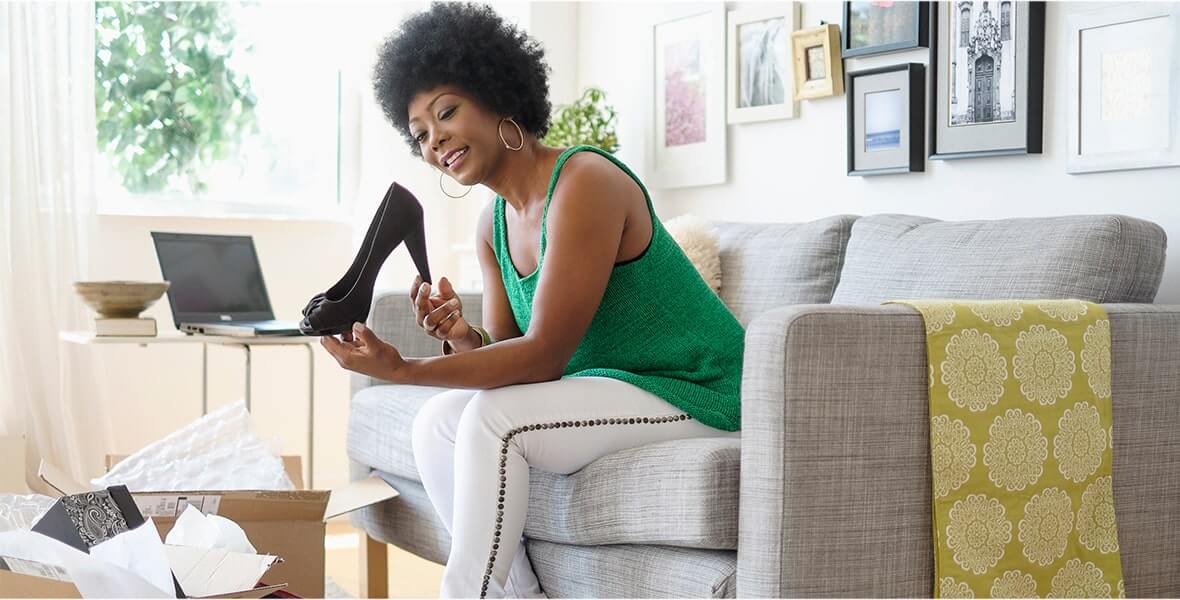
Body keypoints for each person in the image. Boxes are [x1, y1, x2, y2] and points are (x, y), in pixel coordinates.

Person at [319, 3, 744, 598]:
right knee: (437, 423)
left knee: (494, 422)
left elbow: (542, 358)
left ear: (497, 95)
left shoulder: (584, 182)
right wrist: (463, 337)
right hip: (614, 384)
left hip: (698, 389)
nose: (435, 138)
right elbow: (511, 354)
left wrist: (405, 368)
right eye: (420, 133)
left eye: (447, 112)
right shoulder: (493, 224)